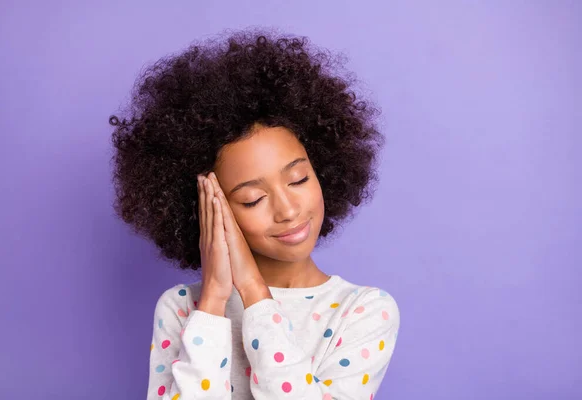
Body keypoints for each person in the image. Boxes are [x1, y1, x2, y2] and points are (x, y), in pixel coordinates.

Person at [109, 27, 400, 400]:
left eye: (298, 179)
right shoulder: (182, 307)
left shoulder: (363, 311)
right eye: (252, 199)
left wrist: (253, 291)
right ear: (209, 210)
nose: (289, 209)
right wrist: (214, 298)